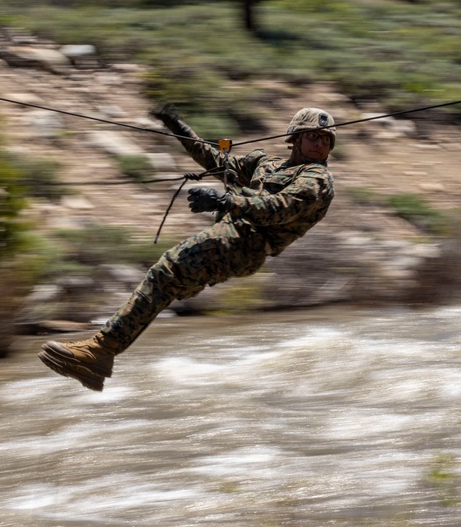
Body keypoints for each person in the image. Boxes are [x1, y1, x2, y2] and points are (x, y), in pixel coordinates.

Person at [39, 106, 336, 391]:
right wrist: (179, 129)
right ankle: (99, 357)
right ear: (295, 138)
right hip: (229, 235)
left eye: (326, 140)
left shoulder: (316, 179)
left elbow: (278, 208)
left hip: (250, 244)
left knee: (170, 268)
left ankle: (99, 352)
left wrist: (224, 201)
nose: (320, 143)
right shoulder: (266, 163)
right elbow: (219, 162)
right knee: (165, 279)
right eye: (314, 136)